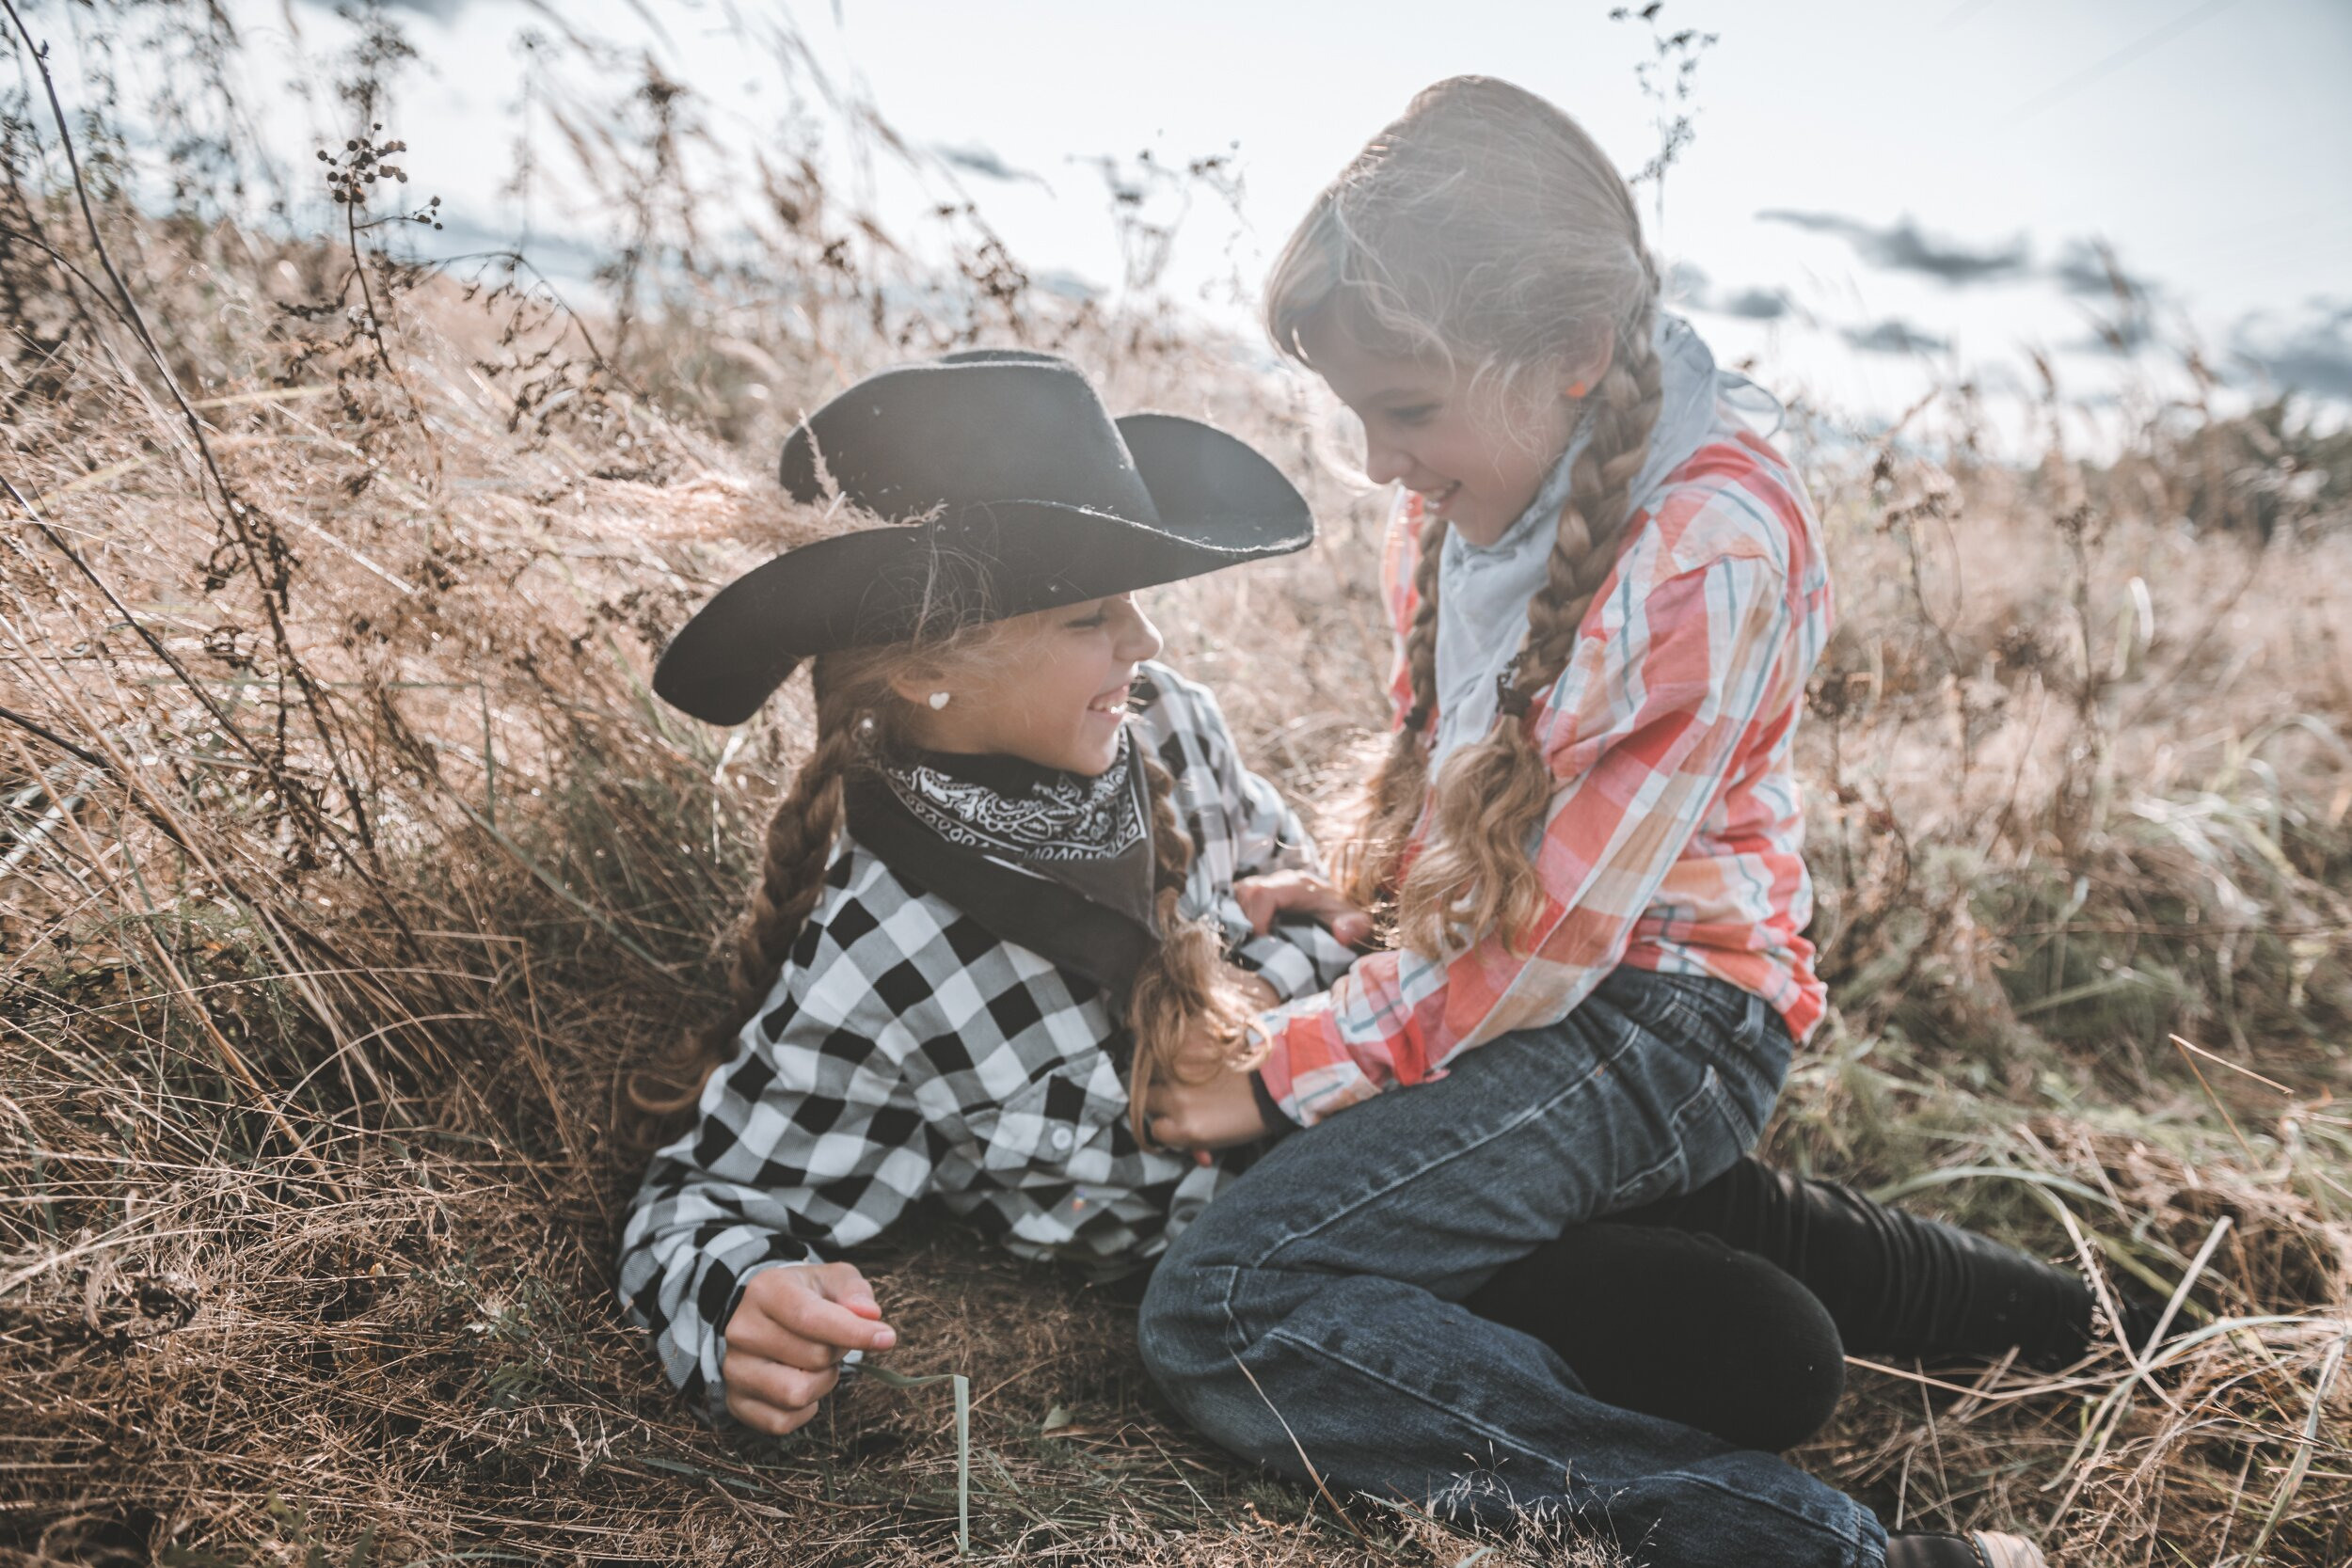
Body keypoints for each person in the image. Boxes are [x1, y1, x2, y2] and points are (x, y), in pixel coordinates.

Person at [615, 353, 2132, 1567]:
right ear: (932, 664)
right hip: (1328, 1252)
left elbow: (1322, 910)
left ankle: (2132, 1330)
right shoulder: (883, 957)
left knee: (1752, 1220)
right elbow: (708, 1196)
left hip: (1399, 1121)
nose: (1143, 639)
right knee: (1764, 1357)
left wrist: (1336, 917)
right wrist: (736, 1301)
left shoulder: (1169, 733)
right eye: (1091, 612)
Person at [1127, 76, 2051, 1568]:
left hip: (1660, 1022)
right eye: (1356, 414)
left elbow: (1556, 941)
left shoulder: (1713, 546)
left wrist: (1288, 1073)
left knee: (1230, 1306)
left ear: (1568, 357)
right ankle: (1773, 1290)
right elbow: (1486, 804)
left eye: (1406, 412)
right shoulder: (1459, 500)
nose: (1377, 463)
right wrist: (1380, 915)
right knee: (1687, 1279)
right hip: (1531, 985)